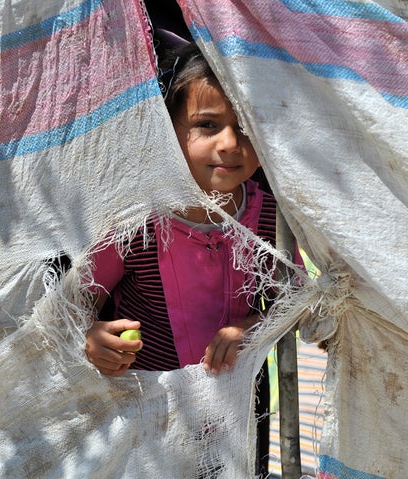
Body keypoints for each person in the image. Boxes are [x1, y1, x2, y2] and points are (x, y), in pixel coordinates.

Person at [83, 41, 274, 474]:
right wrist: (93, 338)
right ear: (168, 132)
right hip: (148, 415)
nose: (230, 143)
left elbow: (293, 301)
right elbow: (80, 299)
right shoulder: (135, 223)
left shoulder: (267, 217)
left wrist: (250, 328)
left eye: (245, 126)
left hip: (237, 414)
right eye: (208, 125)